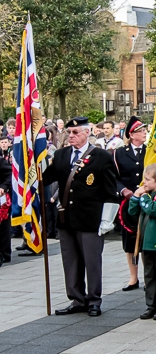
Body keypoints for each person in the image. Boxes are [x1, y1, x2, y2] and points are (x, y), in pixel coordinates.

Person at [42, 117, 119, 317]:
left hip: (90, 218)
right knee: (71, 260)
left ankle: (94, 300)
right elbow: (46, 179)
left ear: (87, 132)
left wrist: (107, 219)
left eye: (75, 132)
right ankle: (77, 298)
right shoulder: (61, 155)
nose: (71, 136)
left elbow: (111, 190)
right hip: (66, 217)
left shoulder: (101, 157)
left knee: (92, 261)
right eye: (69, 133)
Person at [128, 163, 156, 321]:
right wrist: (135, 197)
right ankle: (150, 305)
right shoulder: (144, 196)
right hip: (146, 244)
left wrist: (143, 196)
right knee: (149, 276)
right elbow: (132, 212)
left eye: (147, 180)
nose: (144, 183)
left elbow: (153, 210)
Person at [114, 116, 147, 291]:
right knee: (129, 240)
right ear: (132, 134)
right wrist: (123, 190)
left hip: (147, 200)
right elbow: (114, 177)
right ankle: (133, 278)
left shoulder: (150, 151)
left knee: (146, 238)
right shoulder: (119, 153)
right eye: (141, 131)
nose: (144, 133)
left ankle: (148, 275)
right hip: (127, 203)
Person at [0, 156, 12, 267]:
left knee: (3, 228)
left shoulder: (0, 161)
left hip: (1, 199)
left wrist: (3, 186)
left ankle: (5, 254)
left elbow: (9, 174)